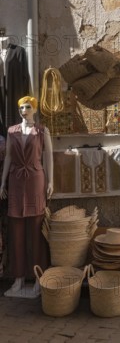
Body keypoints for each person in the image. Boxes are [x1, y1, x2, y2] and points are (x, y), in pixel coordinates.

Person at [0, 96, 53, 298]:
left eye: (28, 107)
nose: (24, 110)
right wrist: (3, 182)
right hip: (15, 181)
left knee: (37, 232)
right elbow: (9, 158)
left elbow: (48, 156)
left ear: (34, 109)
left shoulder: (42, 130)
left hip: (35, 180)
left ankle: (39, 277)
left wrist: (50, 182)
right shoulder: (12, 130)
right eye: (21, 107)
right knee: (17, 233)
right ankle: (19, 278)